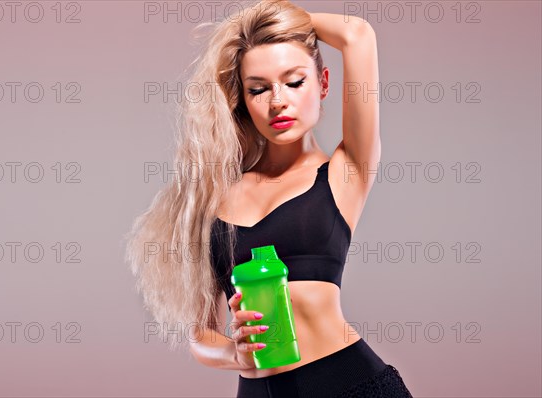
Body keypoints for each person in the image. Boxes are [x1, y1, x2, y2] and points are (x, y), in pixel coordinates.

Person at [125, 0, 414, 396]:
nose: (278, 101)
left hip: (350, 384)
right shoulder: (212, 196)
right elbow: (200, 334)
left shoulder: (346, 172)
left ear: (323, 83)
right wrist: (233, 355)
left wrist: (252, 25)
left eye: (295, 82)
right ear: (242, 98)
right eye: (258, 89)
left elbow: (357, 34)